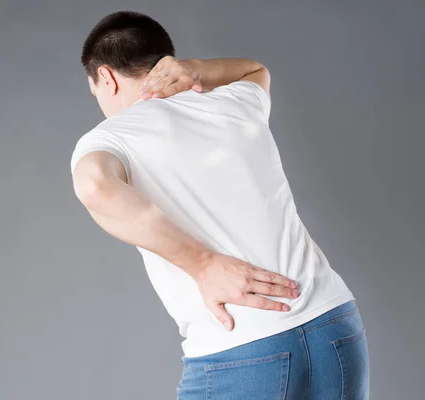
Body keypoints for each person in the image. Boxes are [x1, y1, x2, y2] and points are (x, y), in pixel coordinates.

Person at [70, 10, 370, 400]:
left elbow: (94, 185)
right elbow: (255, 70)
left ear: (106, 78)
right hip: (336, 326)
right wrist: (194, 70)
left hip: (241, 351)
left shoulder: (112, 135)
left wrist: (202, 264)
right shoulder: (235, 101)